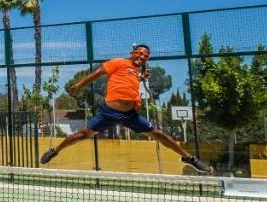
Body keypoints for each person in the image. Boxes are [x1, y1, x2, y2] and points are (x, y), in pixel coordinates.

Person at [39, 44, 212, 174]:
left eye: (145, 56)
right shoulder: (118, 62)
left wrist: (141, 77)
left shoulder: (136, 73)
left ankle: (189, 158)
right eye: (139, 53)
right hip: (109, 112)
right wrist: (78, 85)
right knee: (81, 135)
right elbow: (97, 73)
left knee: (159, 135)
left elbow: (131, 80)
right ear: (132, 53)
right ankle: (55, 151)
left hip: (129, 115)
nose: (142, 57)